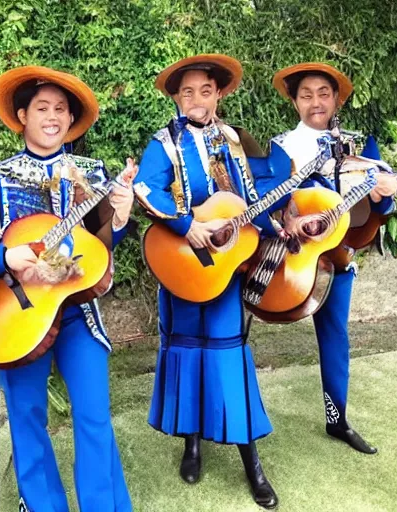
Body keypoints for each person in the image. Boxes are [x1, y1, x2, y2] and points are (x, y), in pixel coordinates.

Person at [0, 66, 135, 512]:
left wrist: (122, 216)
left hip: (78, 315)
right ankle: (41, 504)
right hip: (17, 315)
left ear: (70, 120)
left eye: (61, 109)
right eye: (42, 108)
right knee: (27, 417)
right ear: (22, 115)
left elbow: (101, 249)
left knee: (93, 416)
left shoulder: (91, 175)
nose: (52, 117)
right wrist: (4, 259)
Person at [134, 54, 285, 510]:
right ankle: (192, 444)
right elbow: (145, 188)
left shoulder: (237, 141)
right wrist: (186, 225)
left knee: (228, 358)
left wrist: (278, 226)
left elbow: (256, 197)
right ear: (177, 99)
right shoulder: (163, 143)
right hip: (182, 264)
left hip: (226, 268)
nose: (196, 99)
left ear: (219, 93)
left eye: (204, 90)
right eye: (186, 92)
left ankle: (252, 462)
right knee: (186, 353)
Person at [270, 62, 397, 454]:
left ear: (337, 98)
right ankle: (236, 420)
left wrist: (385, 192)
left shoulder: (360, 147)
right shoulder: (281, 148)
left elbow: (383, 208)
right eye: (305, 95)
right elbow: (272, 202)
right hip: (288, 258)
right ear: (294, 101)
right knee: (242, 329)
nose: (315, 102)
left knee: (335, 336)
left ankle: (337, 418)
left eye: (323, 93)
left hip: (338, 259)